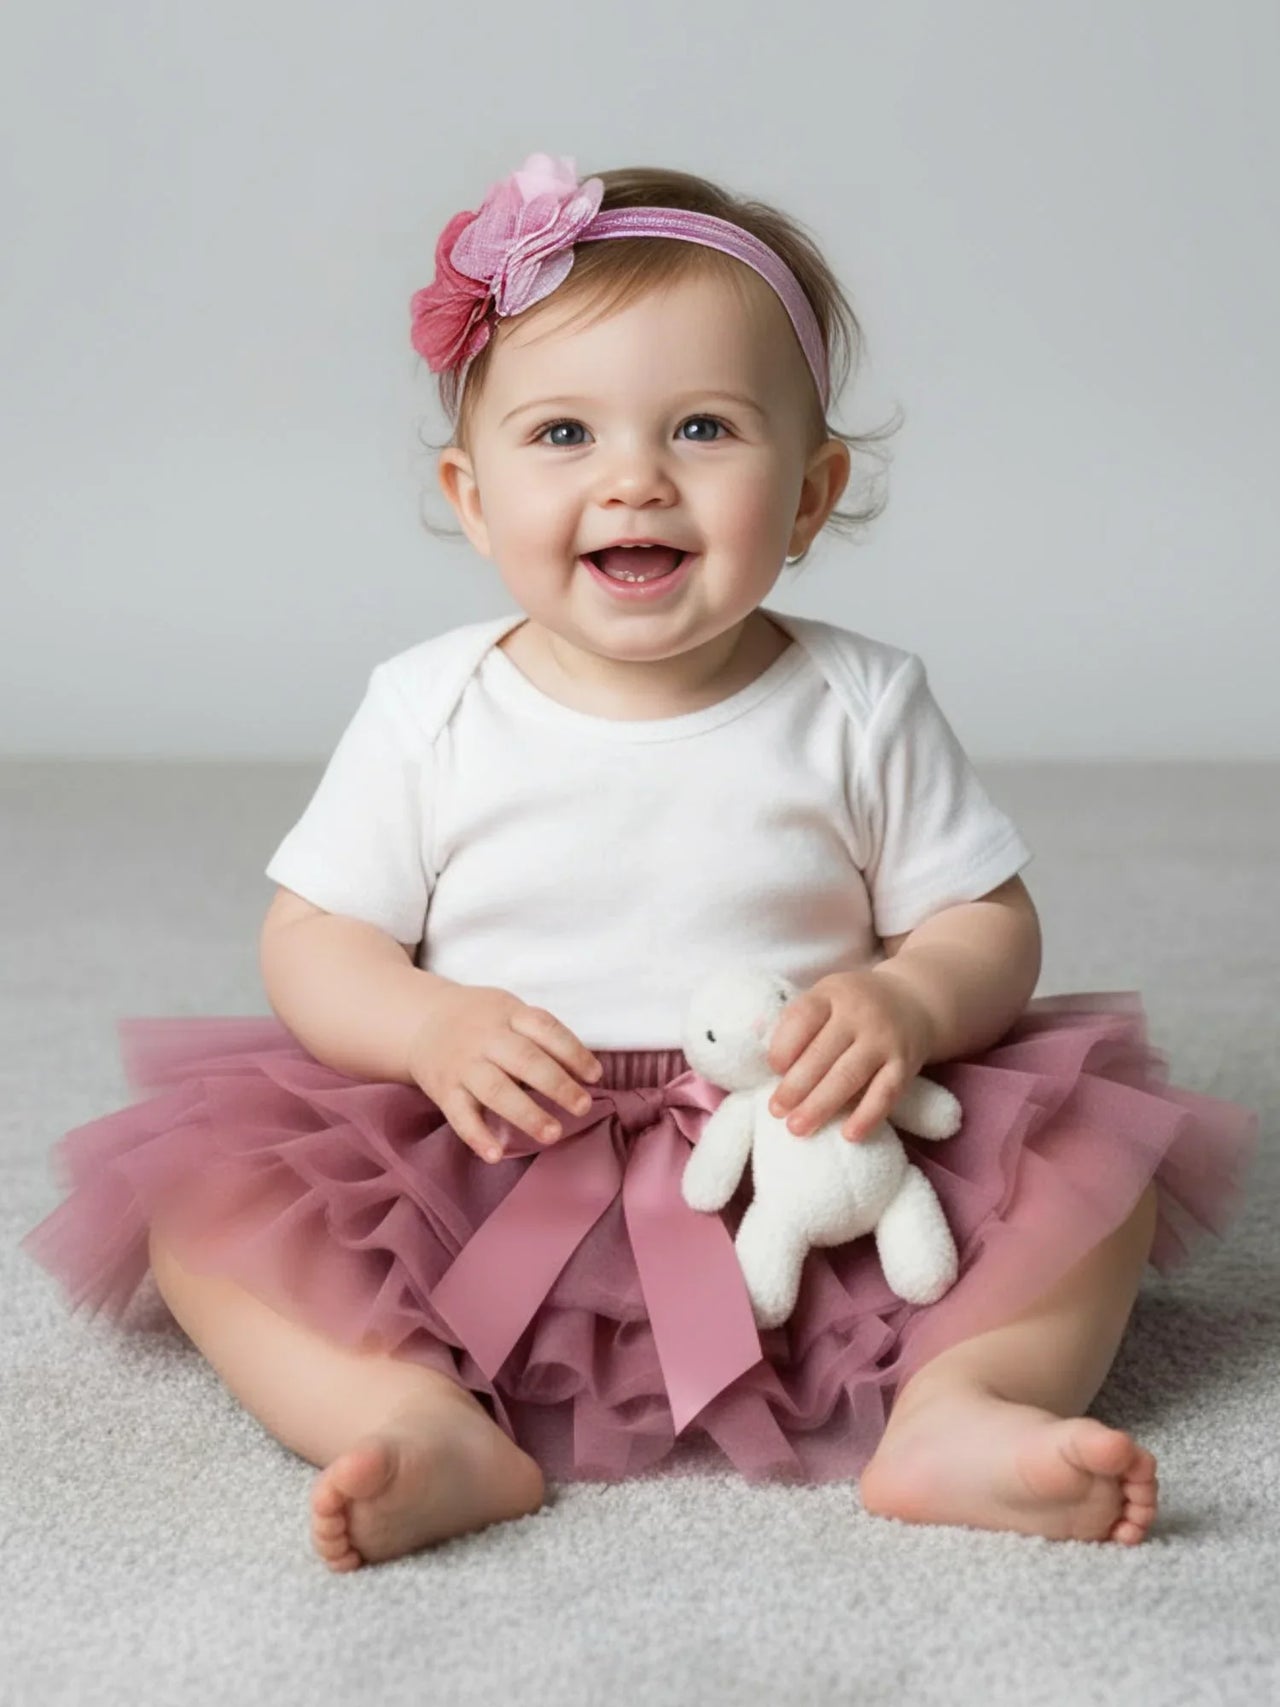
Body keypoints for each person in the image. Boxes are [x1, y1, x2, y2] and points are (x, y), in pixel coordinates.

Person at [22, 152, 1259, 1575]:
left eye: (703, 427)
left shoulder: (860, 702)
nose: (634, 479)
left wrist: (910, 1006)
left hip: (799, 1144)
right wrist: (429, 1025)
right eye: (561, 435)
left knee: (1092, 1173)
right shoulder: (429, 706)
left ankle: (964, 1404)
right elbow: (315, 938)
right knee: (208, 1201)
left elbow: (984, 919)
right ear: (470, 495)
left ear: (809, 494)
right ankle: (412, 1417)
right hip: (488, 1145)